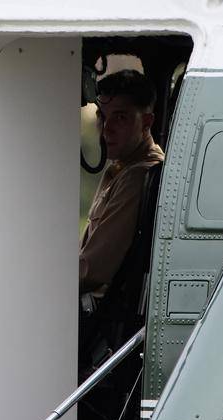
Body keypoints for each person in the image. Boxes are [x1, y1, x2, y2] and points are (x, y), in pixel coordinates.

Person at [79, 69, 165, 301]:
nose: (107, 129)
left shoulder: (137, 175)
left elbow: (92, 270)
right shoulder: (122, 168)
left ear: (146, 122)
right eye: (102, 116)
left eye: (121, 117)